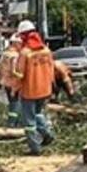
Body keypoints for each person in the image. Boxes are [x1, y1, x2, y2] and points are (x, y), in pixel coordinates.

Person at [12, 22, 55, 155]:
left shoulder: (25, 53)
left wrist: (14, 89)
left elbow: (19, 75)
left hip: (30, 91)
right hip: (45, 90)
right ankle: (47, 135)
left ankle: (34, 148)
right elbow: (51, 70)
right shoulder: (46, 51)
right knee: (38, 114)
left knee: (29, 121)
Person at [0, 33, 24, 126]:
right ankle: (12, 123)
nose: (21, 45)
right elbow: (13, 71)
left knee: (13, 102)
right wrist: (23, 76)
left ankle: (15, 122)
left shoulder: (4, 54)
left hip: (6, 83)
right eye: (20, 43)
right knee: (16, 103)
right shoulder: (14, 55)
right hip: (13, 84)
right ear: (16, 43)